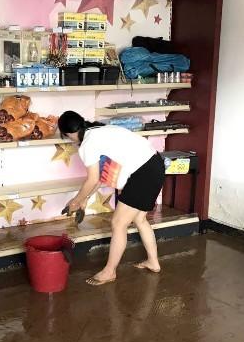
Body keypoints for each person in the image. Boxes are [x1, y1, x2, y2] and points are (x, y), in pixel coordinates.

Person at [59, 110, 165, 286]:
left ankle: (109, 271)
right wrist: (85, 199)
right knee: (139, 219)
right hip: (155, 165)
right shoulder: (100, 130)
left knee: (118, 223)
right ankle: (153, 262)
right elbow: (104, 175)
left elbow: (92, 178)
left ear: (68, 134)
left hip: (143, 173)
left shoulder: (87, 144)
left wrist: (76, 201)